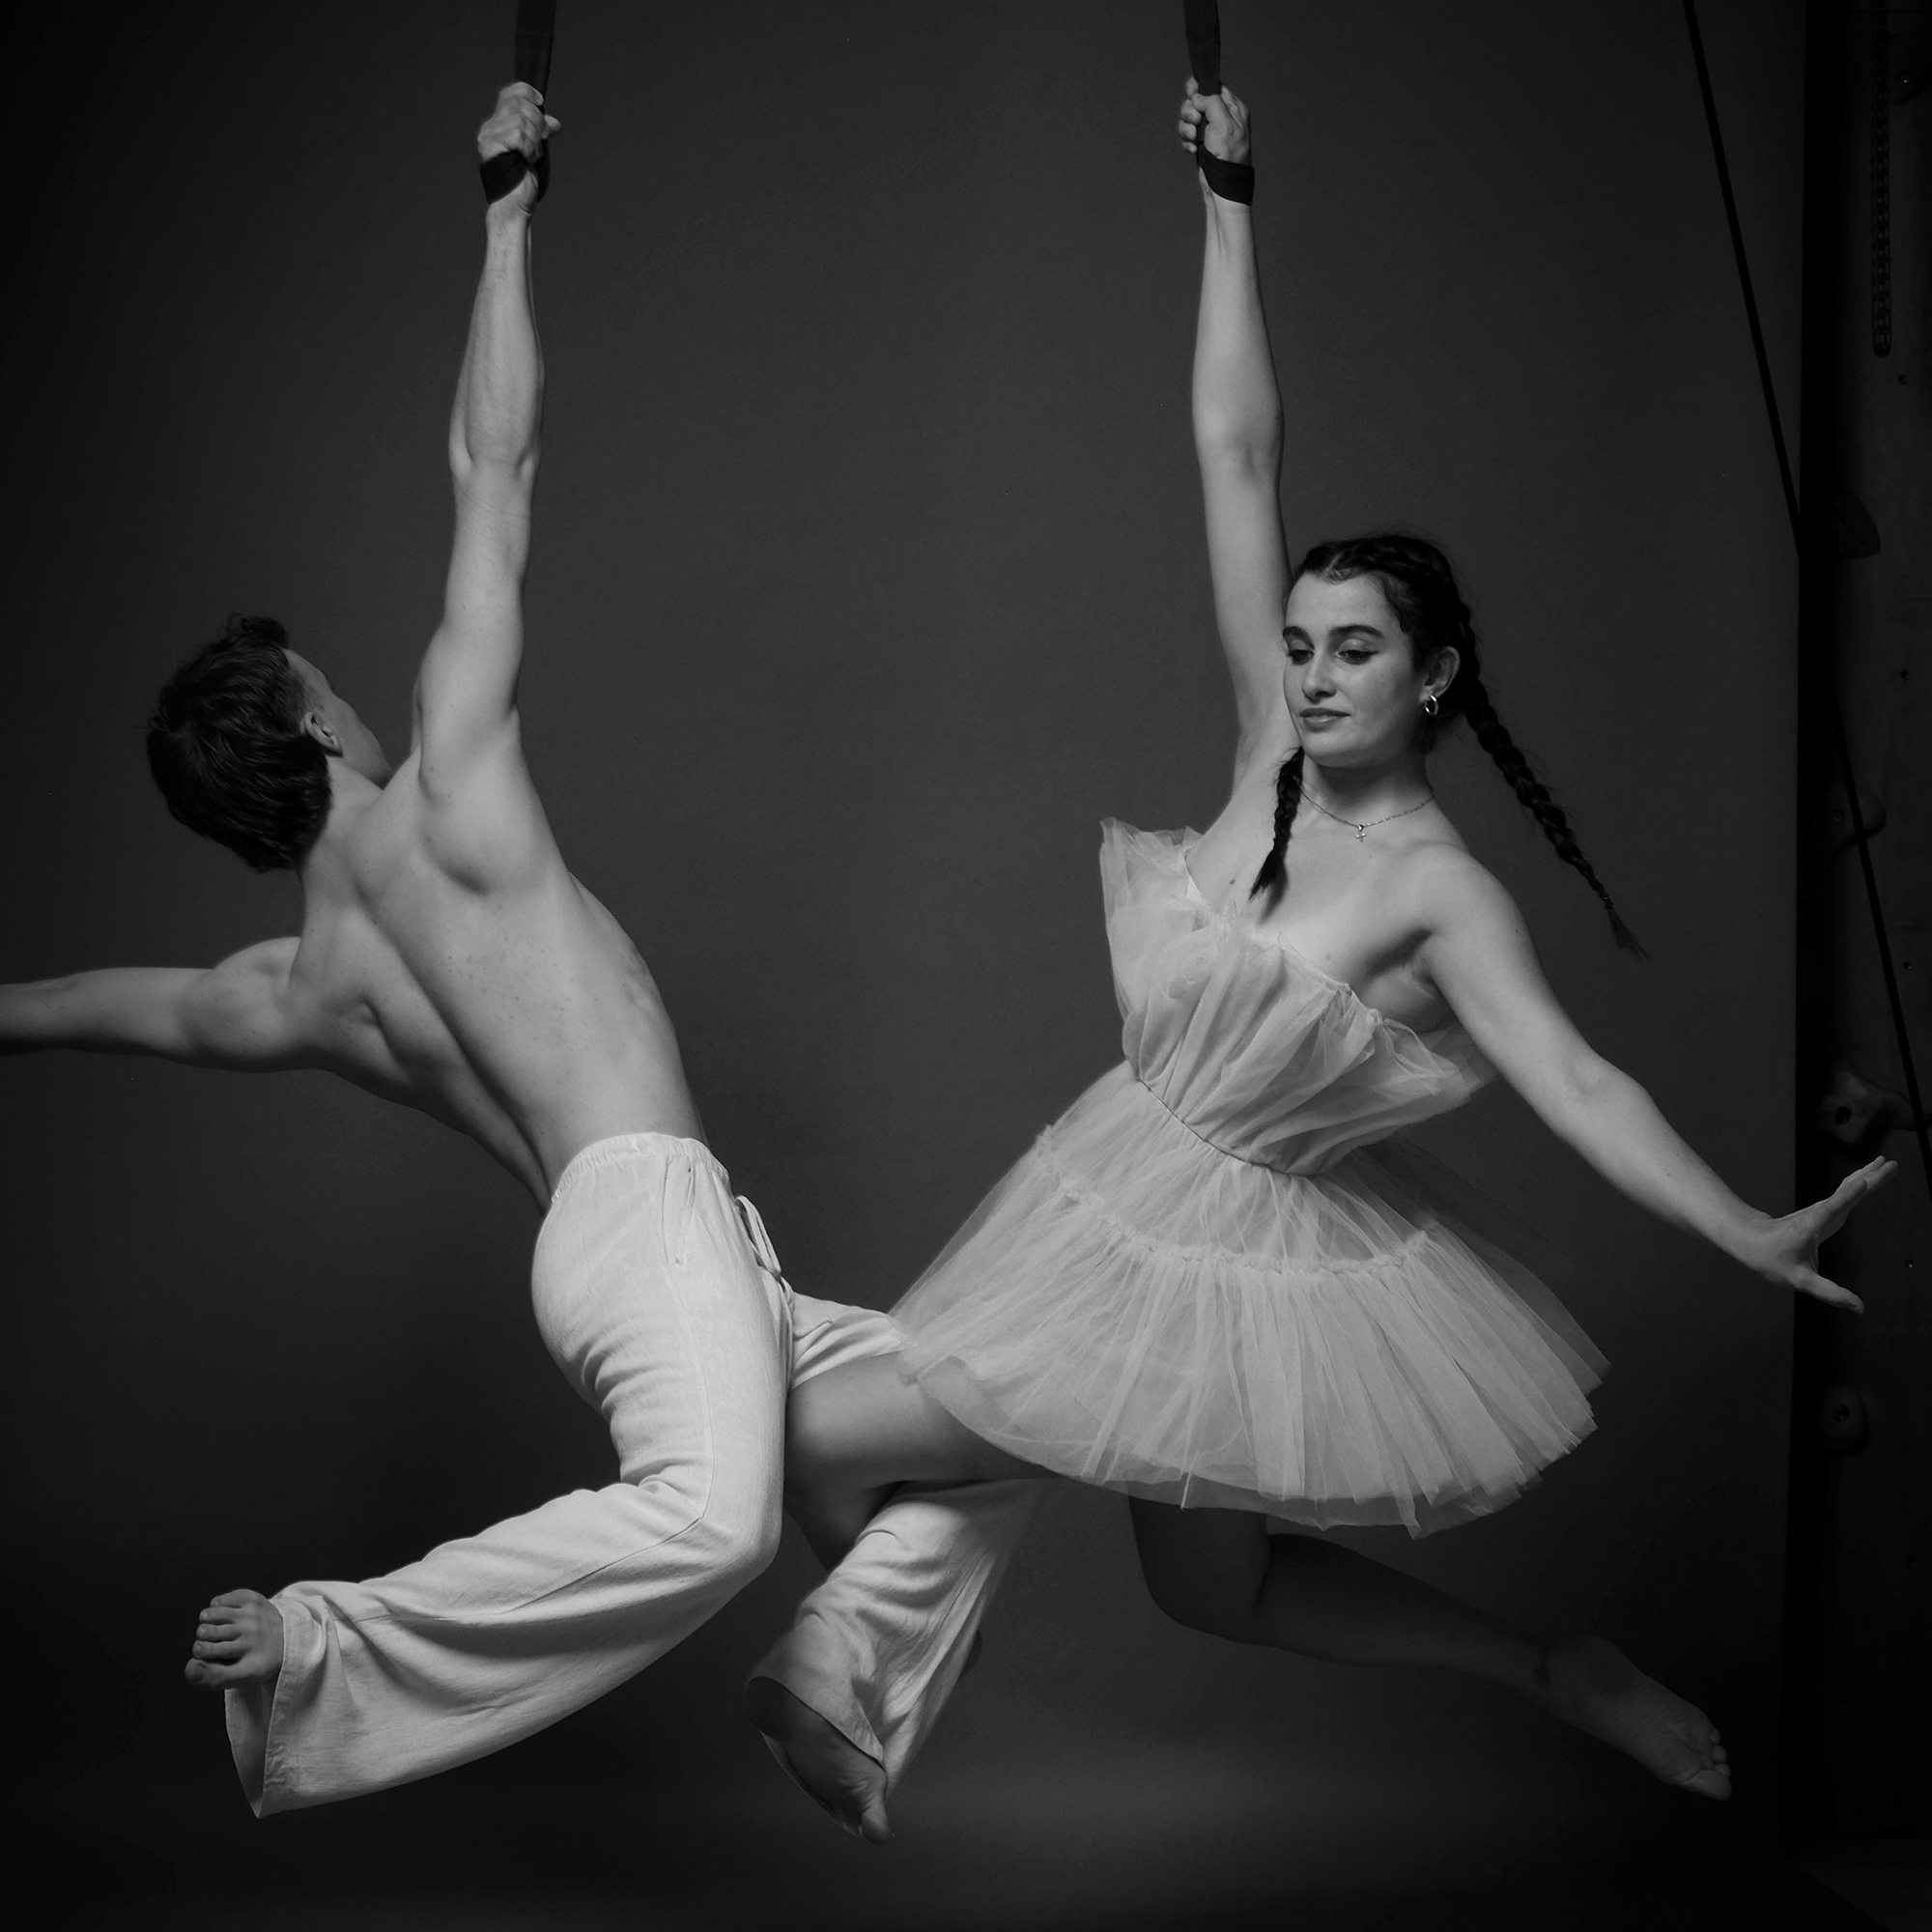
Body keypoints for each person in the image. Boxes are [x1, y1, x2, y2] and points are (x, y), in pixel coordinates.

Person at [745, 76, 1895, 1842]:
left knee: (822, 1445)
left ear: (1433, 676)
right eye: (1299, 644)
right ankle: (1551, 1669)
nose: (1313, 674)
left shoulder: (1443, 894)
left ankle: (862, 1673)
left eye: (1355, 650)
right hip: (1103, 1196)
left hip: (1216, 1261)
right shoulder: (1264, 762)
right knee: (1210, 1588)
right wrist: (1230, 206)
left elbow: (1579, 1079)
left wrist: (1740, 1223)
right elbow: (1235, 451)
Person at [0, 81, 925, 1816]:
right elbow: (491, 464)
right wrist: (509, 209)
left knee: (998, 1421)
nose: (349, 688)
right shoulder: (454, 789)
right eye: (322, 683)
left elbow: (54, 1008)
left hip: (655, 1250)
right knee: (711, 1520)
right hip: (646, 1219)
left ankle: (846, 1675)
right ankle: (316, 1643)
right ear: (310, 719)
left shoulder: (290, 993)